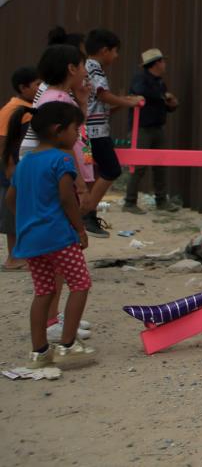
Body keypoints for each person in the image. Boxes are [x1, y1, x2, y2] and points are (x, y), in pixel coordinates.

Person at [5, 102, 96, 369]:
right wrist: (79, 228)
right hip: (58, 236)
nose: (77, 135)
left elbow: (12, 199)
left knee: (43, 291)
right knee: (80, 283)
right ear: (58, 130)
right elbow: (67, 197)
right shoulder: (62, 159)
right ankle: (68, 345)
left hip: (30, 239)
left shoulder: (25, 163)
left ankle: (39, 352)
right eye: (75, 129)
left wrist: (30, 216)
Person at [80, 29, 143, 236]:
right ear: (104, 50)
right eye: (115, 52)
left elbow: (99, 102)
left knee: (94, 174)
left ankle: (86, 212)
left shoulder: (87, 67)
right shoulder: (94, 68)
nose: (116, 57)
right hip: (95, 132)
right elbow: (103, 95)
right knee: (111, 169)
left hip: (89, 130)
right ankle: (87, 213)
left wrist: (124, 103)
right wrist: (127, 101)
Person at [127, 48, 180, 212]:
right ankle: (129, 202)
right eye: (163, 61)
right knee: (139, 166)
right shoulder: (141, 79)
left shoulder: (159, 82)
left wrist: (171, 104)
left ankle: (161, 200)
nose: (165, 64)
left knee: (160, 165)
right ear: (156, 63)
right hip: (142, 128)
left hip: (157, 127)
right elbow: (142, 92)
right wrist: (165, 97)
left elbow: (162, 102)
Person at [1, 66, 39, 270]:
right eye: (37, 85)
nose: (40, 88)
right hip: (12, 170)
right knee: (12, 214)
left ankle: (23, 256)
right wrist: (9, 167)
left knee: (22, 212)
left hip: (23, 170)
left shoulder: (28, 108)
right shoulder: (13, 109)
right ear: (23, 88)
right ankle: (13, 258)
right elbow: (3, 140)